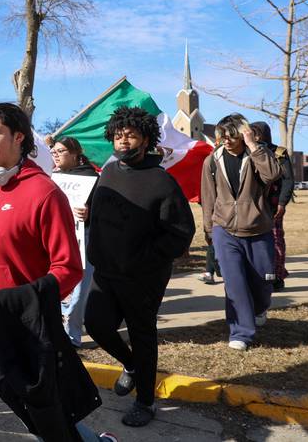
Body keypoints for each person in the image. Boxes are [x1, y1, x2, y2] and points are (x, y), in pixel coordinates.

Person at [0, 103, 113, 442]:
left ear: (18, 138)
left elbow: (68, 268)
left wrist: (22, 304)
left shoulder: (45, 193)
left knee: (50, 421)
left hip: (19, 329)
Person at [85, 106, 195, 428]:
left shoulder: (162, 182)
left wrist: (145, 258)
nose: (122, 141)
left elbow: (180, 233)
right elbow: (101, 209)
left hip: (143, 278)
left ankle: (145, 401)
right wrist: (88, 214)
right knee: (97, 325)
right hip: (105, 272)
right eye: (118, 136)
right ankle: (132, 365)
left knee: (142, 336)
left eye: (130, 135)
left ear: (145, 139)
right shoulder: (107, 172)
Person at [201, 115, 281, 352]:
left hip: (258, 229)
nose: (225, 140)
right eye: (221, 136)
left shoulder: (257, 155)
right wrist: (209, 229)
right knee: (234, 283)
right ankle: (241, 332)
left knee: (263, 283)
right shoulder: (212, 161)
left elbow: (272, 175)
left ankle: (259, 308)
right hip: (225, 229)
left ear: (242, 134)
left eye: (230, 135)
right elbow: (208, 198)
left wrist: (254, 146)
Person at [51, 136, 98, 348]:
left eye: (60, 151)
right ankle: (56, 330)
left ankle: (72, 336)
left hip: (83, 239)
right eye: (54, 152)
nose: (56, 155)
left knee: (79, 287)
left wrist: (89, 213)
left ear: (74, 154)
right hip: (56, 239)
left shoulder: (91, 178)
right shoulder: (52, 178)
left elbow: (104, 211)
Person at [250, 121, 294, 291]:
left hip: (273, 206)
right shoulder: (250, 152)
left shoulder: (279, 153)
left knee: (276, 241)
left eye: (253, 133)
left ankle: (277, 277)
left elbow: (288, 179)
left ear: (260, 134)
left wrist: (282, 203)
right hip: (254, 206)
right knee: (257, 243)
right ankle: (261, 276)